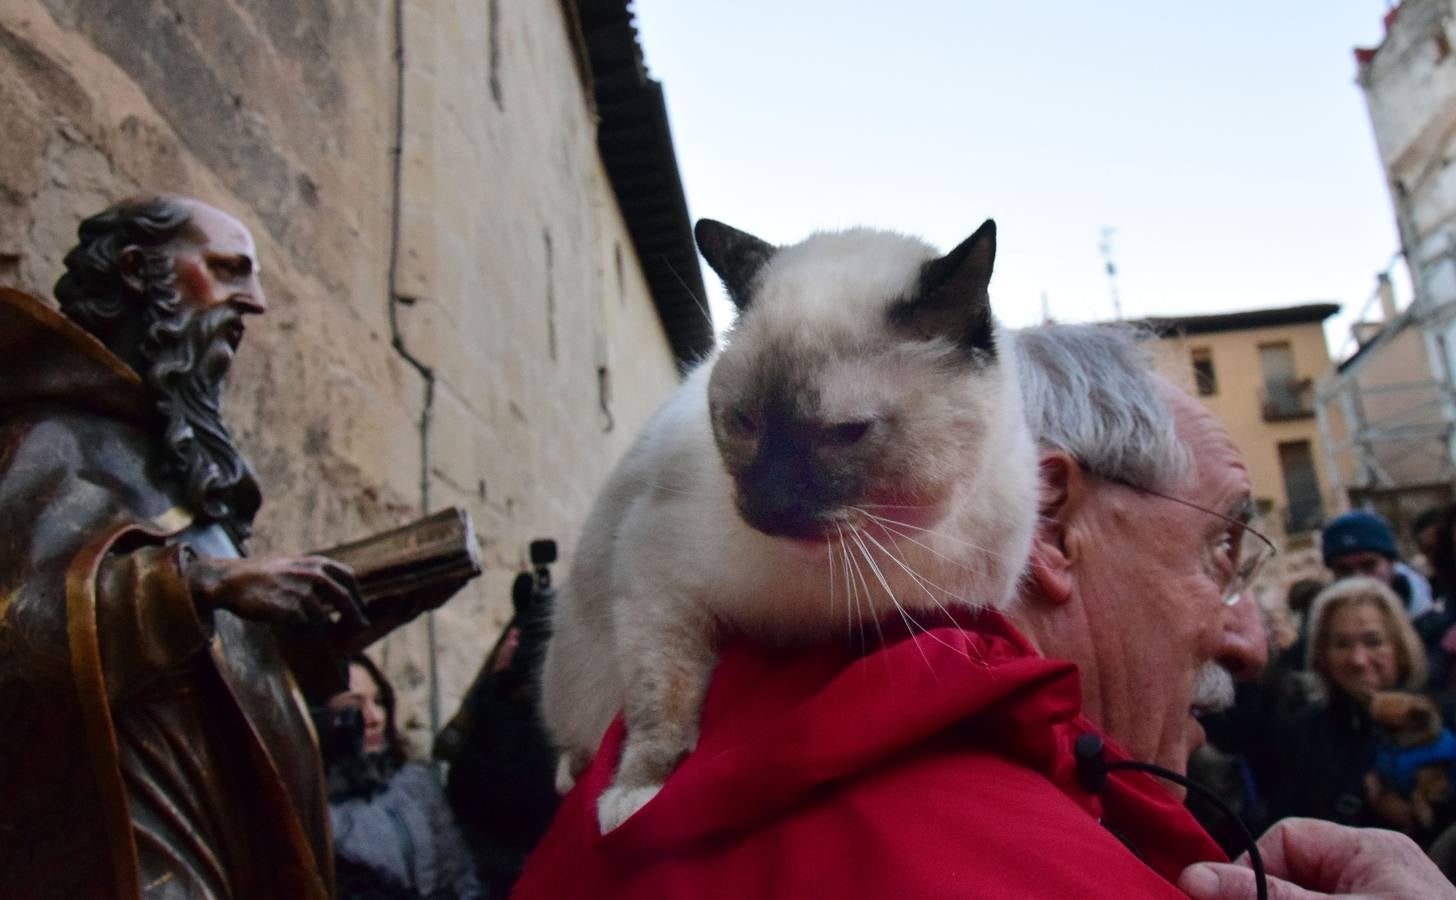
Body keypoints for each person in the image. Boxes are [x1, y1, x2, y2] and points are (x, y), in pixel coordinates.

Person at [511, 323, 1456, 898]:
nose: (1252, 639)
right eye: (1221, 549)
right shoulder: (1001, 862)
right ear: (1047, 521)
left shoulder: (692, 767)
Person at [0, 195, 368, 898]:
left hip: (218, 838)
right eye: (228, 270)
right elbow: (18, 633)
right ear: (140, 271)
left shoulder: (165, 466)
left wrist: (307, 633)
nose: (254, 303)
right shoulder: (50, 442)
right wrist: (200, 587)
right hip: (127, 848)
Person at [1261, 578, 1430, 832]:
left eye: (1373, 641)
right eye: (1341, 644)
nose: (1358, 660)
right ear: (1321, 654)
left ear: (1400, 646)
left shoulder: (1442, 722)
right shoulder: (1300, 736)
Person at [324, 654, 483, 900]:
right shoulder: (317, 811)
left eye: (379, 702)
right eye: (354, 708)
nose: (375, 717)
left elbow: (460, 875)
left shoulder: (414, 783)